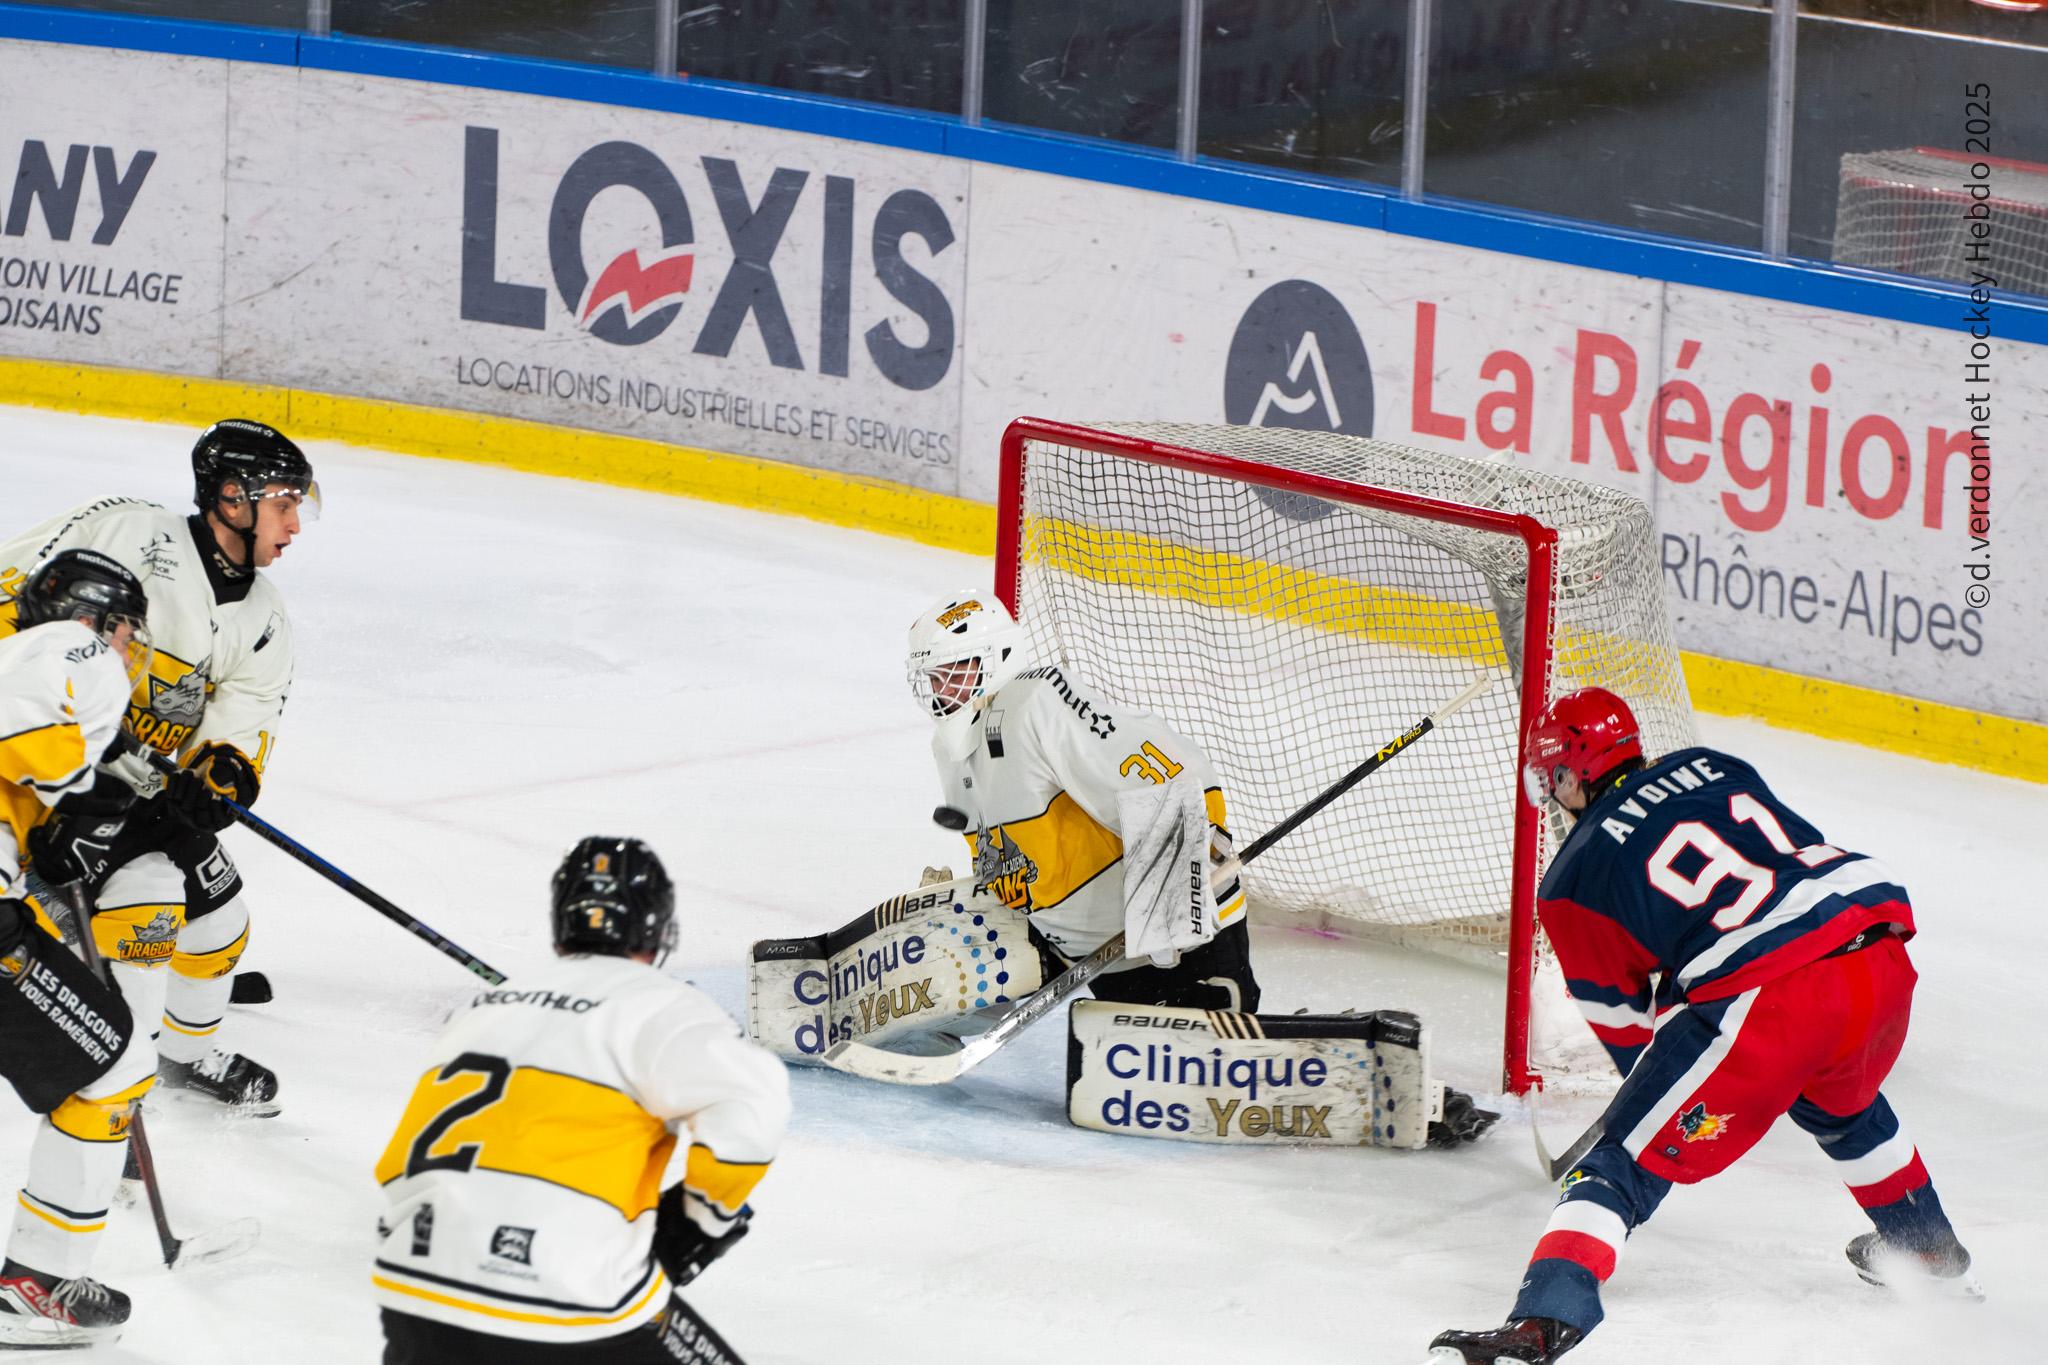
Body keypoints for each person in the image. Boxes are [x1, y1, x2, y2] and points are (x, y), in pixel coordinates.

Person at [1428, 687, 1976, 1364]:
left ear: (1570, 775)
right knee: (1843, 1103)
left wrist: (1667, 1086)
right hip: (1876, 947)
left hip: (1775, 992)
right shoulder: (1712, 763)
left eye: (1553, 778)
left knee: (1621, 1159)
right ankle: (1926, 1244)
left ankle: (1543, 1321)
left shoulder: (1570, 881)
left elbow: (1633, 1039)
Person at [0, 418, 317, 1116]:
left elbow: (243, 722)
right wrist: (67, 717)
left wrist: (220, 776)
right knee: (147, 912)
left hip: (130, 785)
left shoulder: (265, 618)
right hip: (39, 766)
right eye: (284, 503)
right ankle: (117, 1090)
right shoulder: (128, 532)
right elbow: (12, 603)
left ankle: (184, 1055)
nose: (295, 524)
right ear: (232, 497)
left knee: (221, 922)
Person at [373, 837, 788, 1364]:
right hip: (563, 1297)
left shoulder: (481, 1008)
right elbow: (751, 1117)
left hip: (413, 1288)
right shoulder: (664, 1006)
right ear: (659, 928)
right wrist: (699, 1221)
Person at [908, 591, 1257, 1012]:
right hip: (1100, 957)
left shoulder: (1034, 701)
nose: (942, 691)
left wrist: (1173, 897)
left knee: (1206, 1035)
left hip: (1185, 938)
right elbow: (1022, 863)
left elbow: (1165, 774)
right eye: (934, 679)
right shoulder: (949, 750)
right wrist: (970, 905)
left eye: (954, 673)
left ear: (997, 657)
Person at [0, 549, 157, 1346]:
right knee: (116, 1065)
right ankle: (37, 1282)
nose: (128, 650)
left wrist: (51, 829)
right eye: (127, 630)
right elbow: (37, 741)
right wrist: (91, 793)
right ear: (98, 618)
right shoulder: (75, 647)